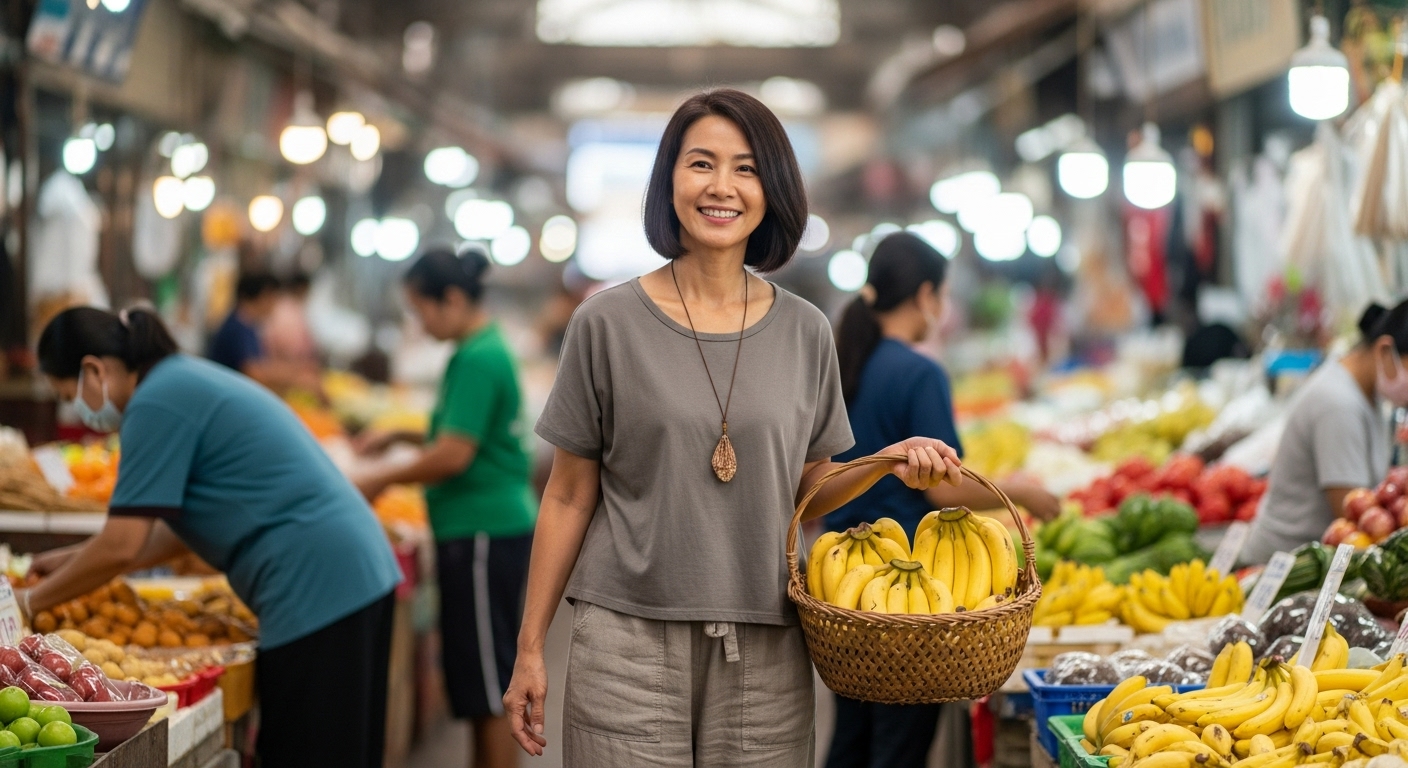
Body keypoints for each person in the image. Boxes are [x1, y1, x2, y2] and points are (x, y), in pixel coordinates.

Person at [501, 88, 966, 767]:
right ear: (669, 183)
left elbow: (810, 489)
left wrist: (884, 461)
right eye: (701, 164)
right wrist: (531, 647)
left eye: (746, 168)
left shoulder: (807, 331)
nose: (723, 187)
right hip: (624, 642)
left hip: (767, 648)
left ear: (771, 189)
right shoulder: (606, 324)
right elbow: (570, 494)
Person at [27, 306, 402, 768]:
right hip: (349, 571)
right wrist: (72, 559)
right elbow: (168, 535)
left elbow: (123, 543)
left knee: (309, 752)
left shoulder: (154, 402)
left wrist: (30, 604)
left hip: (316, 585)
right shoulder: (176, 381)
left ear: (92, 370)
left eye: (69, 393)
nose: (77, 410)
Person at [823, 232, 1061, 768]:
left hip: (841, 585)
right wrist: (1016, 490)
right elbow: (938, 484)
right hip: (908, 589)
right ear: (926, 295)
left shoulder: (845, 360)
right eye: (944, 295)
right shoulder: (918, 371)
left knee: (852, 740)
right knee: (899, 747)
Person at [354, 246, 536, 768]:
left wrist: (379, 478)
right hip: (486, 529)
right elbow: (455, 432)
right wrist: (398, 435)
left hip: (482, 530)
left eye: (422, 310)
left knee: (492, 688)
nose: (420, 322)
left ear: (452, 299)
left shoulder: (478, 357)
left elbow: (455, 454)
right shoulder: (479, 348)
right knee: (485, 683)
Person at [1242, 301, 1408, 563]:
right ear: (1386, 350)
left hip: (1318, 560)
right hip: (1285, 567)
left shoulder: (1369, 396)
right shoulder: (1338, 405)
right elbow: (1354, 516)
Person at [208, 272, 319, 394]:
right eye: (273, 298)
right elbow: (254, 373)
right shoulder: (237, 328)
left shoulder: (248, 325)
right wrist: (296, 379)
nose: (274, 305)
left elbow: (262, 364)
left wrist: (296, 369)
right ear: (264, 296)